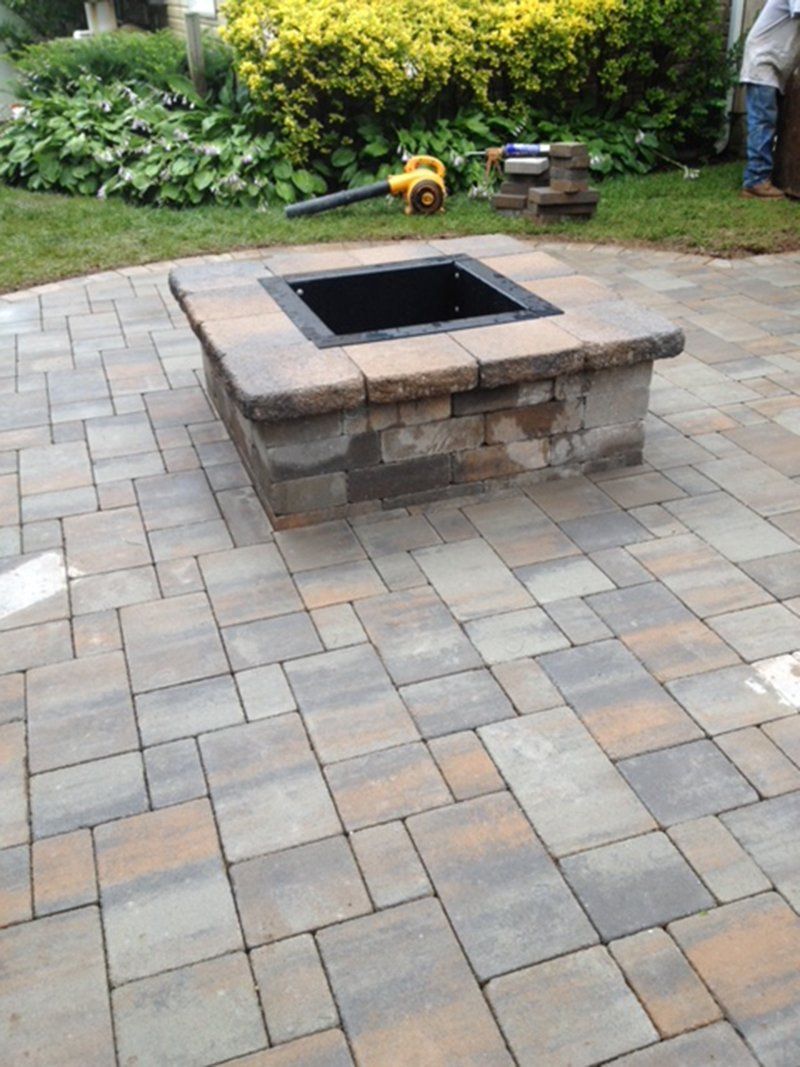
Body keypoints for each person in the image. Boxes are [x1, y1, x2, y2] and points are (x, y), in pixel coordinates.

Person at [740, 0, 800, 198]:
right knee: (763, 121)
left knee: (769, 121)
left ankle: (763, 175)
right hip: (763, 60)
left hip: (773, 63)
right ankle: (756, 180)